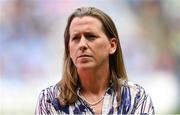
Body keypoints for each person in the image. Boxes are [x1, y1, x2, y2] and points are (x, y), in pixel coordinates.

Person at [35, 7, 155, 114]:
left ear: (112, 45)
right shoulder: (50, 101)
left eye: (90, 36)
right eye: (76, 38)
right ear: (69, 49)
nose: (82, 44)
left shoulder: (136, 98)